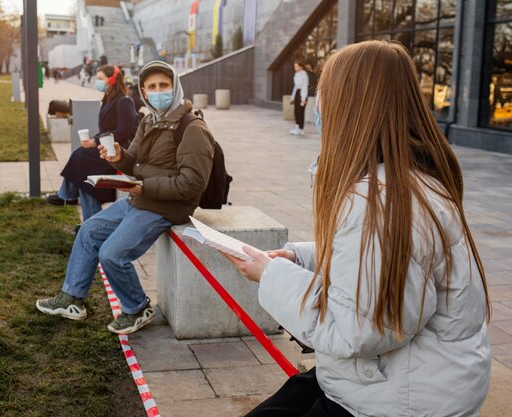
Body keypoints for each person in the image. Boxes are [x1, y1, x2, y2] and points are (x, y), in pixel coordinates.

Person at [224, 41, 491, 417]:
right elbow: (390, 261)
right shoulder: (411, 180)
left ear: (352, 105)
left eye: (325, 93)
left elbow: (358, 330)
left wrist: (271, 275)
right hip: (416, 382)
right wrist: (304, 256)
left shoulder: (376, 199)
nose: (318, 104)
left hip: (400, 400)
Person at [36, 61, 215, 334]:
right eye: (151, 87)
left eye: (163, 86)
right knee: (89, 229)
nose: (158, 92)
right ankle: (72, 299)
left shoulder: (192, 127)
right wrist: (120, 157)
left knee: (112, 254)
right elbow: (136, 164)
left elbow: (192, 185)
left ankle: (136, 308)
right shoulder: (149, 120)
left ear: (175, 86)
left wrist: (144, 188)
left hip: (166, 207)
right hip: (141, 199)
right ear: (143, 90)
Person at [46, 65, 138, 221]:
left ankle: (67, 196)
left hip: (119, 150)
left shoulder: (124, 101)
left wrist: (95, 141)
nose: (98, 82)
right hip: (106, 146)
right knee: (83, 171)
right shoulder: (108, 98)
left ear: (112, 80)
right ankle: (83, 215)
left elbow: (123, 131)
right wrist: (93, 140)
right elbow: (105, 128)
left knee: (80, 158)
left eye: (101, 79)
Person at [289, 59, 309, 136]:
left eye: (297, 67)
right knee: (296, 111)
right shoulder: (296, 75)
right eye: (295, 67)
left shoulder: (304, 75)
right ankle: (297, 126)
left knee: (301, 112)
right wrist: (292, 97)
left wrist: (303, 99)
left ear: (301, 67)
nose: (295, 68)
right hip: (297, 93)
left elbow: (304, 87)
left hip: (302, 94)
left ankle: (301, 128)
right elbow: (295, 87)